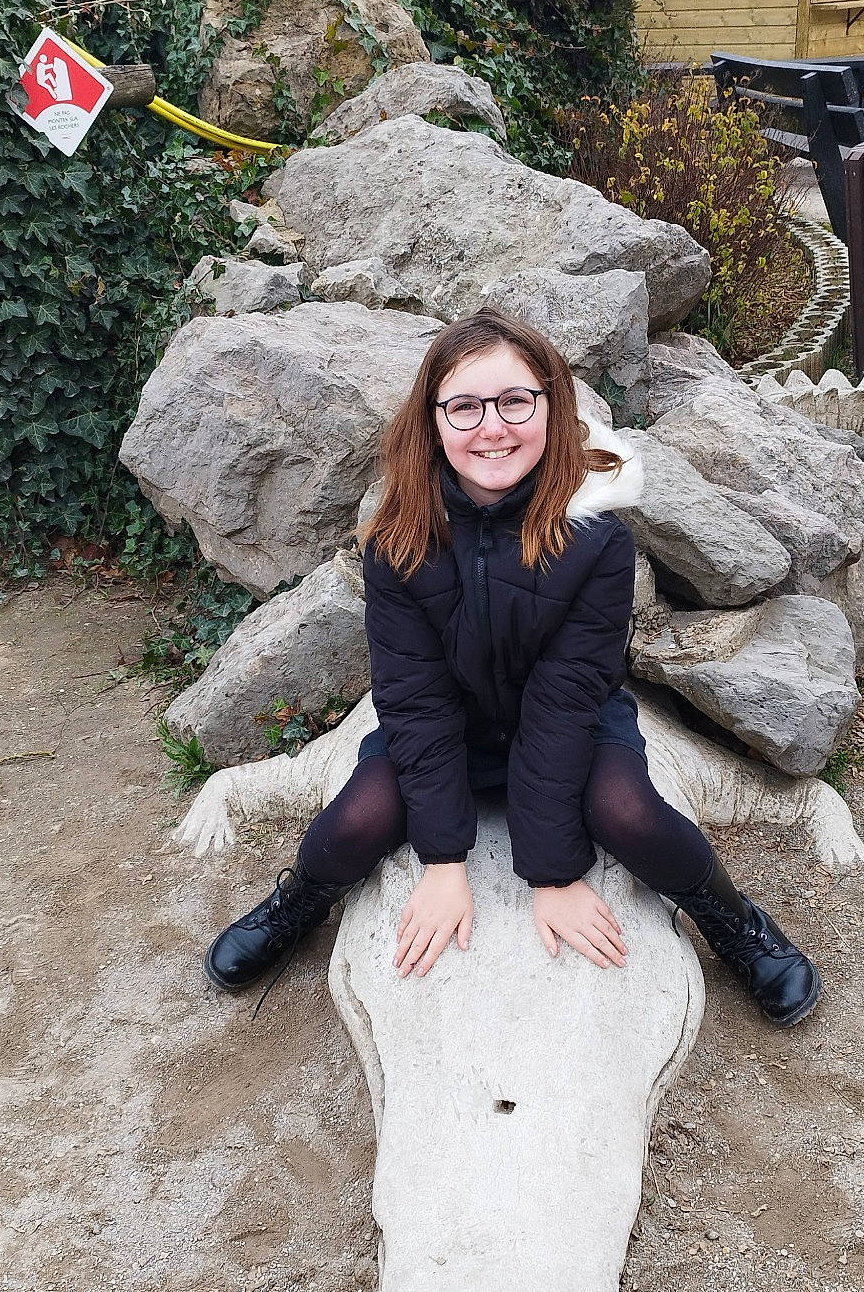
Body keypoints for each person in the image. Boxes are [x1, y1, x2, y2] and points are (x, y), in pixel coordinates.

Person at [203, 308, 820, 1025]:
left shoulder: (598, 540)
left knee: (631, 813)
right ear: (433, 421)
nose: (492, 427)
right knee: (356, 819)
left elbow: (567, 701)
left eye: (514, 401)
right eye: (464, 407)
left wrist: (552, 872)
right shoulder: (399, 541)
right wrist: (443, 863)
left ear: (551, 406)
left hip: (572, 726)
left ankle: (734, 924)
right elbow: (414, 698)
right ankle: (298, 903)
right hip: (452, 729)